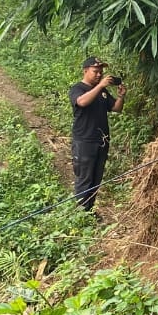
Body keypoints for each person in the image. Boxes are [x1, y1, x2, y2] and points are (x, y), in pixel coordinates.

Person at [69, 56, 125, 212]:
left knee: (96, 179)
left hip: (101, 141)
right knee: (84, 178)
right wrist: (100, 86)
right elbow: (81, 102)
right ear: (85, 71)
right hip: (84, 142)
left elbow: (116, 108)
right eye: (95, 71)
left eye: (101, 72)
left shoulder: (103, 91)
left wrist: (121, 96)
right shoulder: (77, 89)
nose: (99, 74)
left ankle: (89, 210)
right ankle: (81, 214)